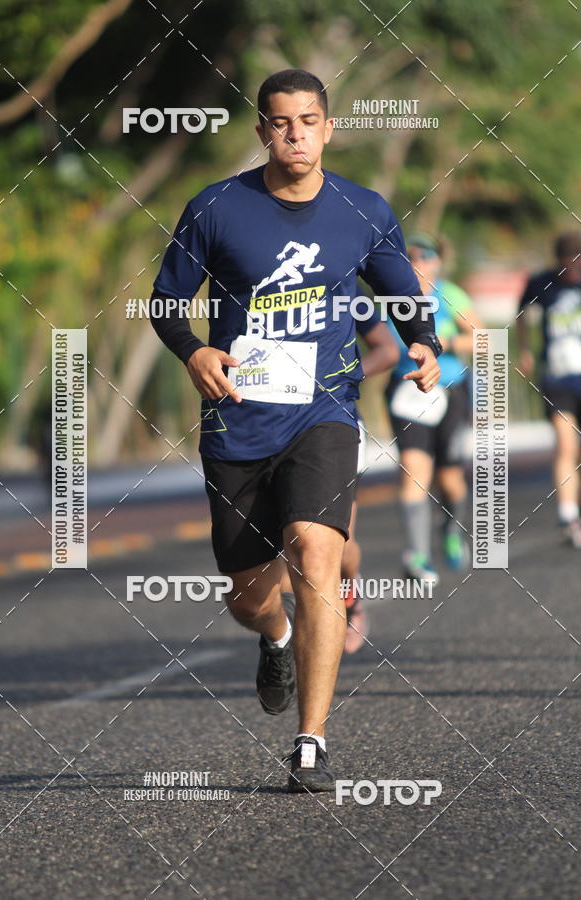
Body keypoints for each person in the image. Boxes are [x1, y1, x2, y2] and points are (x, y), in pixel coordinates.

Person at [150, 69, 441, 793]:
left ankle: (310, 742)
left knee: (316, 547)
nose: (295, 135)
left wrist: (424, 342)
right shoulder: (216, 209)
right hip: (237, 424)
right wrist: (195, 352)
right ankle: (275, 636)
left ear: (329, 127)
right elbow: (164, 304)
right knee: (248, 591)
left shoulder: (362, 209)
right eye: (280, 123)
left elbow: (401, 291)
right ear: (262, 132)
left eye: (308, 121)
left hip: (326, 411)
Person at [278, 316, 401, 655]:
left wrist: (341, 377)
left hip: (332, 426)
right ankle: (285, 637)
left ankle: (350, 594)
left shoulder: (339, 273)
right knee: (285, 548)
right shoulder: (247, 274)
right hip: (266, 430)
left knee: (339, 543)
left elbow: (387, 350)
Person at [385, 234, 483, 586]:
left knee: (450, 479)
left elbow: (481, 338)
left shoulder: (451, 294)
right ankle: (417, 555)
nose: (418, 264)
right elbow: (378, 341)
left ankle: (451, 528)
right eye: (410, 257)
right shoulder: (394, 297)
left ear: (438, 261)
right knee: (413, 470)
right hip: (407, 392)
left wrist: (448, 342)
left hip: (451, 391)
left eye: (425, 257)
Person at [517, 231, 581, 548]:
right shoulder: (543, 283)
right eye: (567, 264)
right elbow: (521, 312)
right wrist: (525, 350)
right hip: (557, 377)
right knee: (566, 445)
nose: (572, 271)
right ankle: (569, 516)